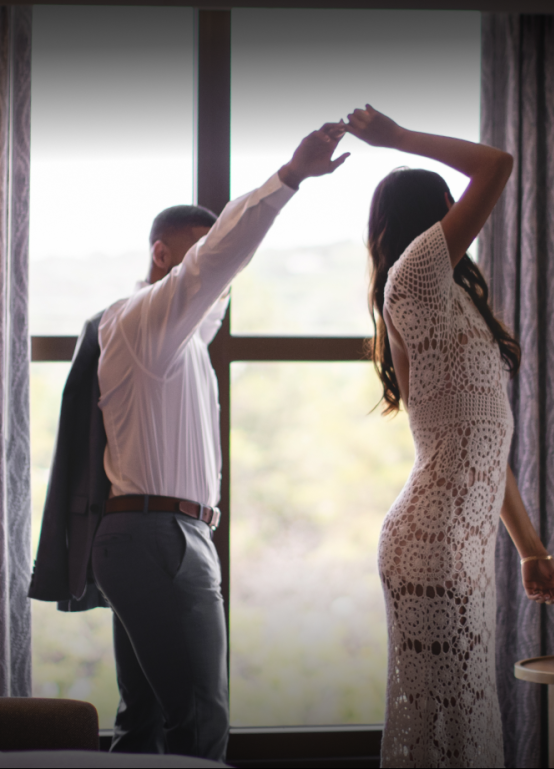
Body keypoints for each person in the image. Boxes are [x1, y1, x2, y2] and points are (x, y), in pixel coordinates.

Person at [89, 122, 349, 761]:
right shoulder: (144, 320)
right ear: (161, 254)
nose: (214, 274)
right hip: (161, 538)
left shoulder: (179, 346)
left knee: (147, 720)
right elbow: (218, 261)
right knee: (201, 723)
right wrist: (289, 177)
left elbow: (218, 280)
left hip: (153, 536)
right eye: (200, 255)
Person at [344, 105, 554, 769]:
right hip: (433, 536)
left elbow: (482, 446)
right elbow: (497, 165)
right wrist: (398, 139)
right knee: (448, 728)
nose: (463, 213)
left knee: (464, 722)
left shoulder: (455, 298)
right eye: (450, 203)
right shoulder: (415, 273)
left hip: (460, 538)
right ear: (438, 209)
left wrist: (528, 548)